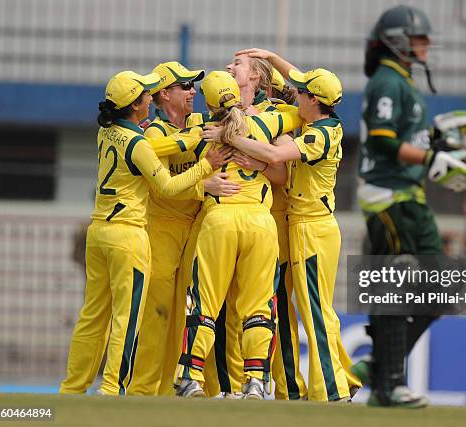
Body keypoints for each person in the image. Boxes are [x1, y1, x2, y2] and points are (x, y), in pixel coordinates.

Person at [59, 70, 230, 395]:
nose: (150, 98)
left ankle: (71, 390)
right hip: (129, 235)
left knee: (92, 316)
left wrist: (191, 138)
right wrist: (205, 166)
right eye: (147, 95)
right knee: (128, 318)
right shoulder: (139, 141)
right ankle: (111, 389)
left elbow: (166, 146)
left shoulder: (106, 131)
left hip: (99, 231)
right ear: (137, 106)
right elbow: (166, 185)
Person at [209, 47, 359, 402]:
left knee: (315, 312)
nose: (295, 92)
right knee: (311, 309)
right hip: (304, 224)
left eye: (303, 92)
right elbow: (296, 82)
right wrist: (274, 57)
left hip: (311, 226)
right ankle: (319, 386)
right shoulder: (317, 119)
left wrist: (227, 136)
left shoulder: (319, 134)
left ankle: (333, 390)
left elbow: (276, 156)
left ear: (314, 101)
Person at [353, 5, 466, 407]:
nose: (427, 45)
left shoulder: (402, 81)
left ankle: (382, 365)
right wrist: (429, 159)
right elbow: (385, 140)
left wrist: (439, 142)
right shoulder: (387, 82)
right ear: (399, 41)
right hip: (389, 196)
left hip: (409, 197)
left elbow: (409, 138)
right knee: (394, 283)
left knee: (446, 288)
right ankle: (388, 384)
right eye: (419, 38)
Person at [176, 71, 302, 399]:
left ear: (208, 102)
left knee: (204, 302)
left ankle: (190, 377)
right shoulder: (265, 123)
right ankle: (256, 381)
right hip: (261, 223)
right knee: (260, 306)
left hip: (219, 220)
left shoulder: (200, 130)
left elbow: (178, 166)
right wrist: (282, 95)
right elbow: (297, 113)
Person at [127, 62, 241, 396]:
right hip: (161, 228)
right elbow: (164, 187)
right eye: (185, 86)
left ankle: (187, 386)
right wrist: (204, 184)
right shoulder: (154, 132)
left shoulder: (200, 123)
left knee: (190, 312)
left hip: (194, 227)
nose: (193, 91)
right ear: (165, 94)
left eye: (194, 85)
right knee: (156, 315)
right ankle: (143, 391)